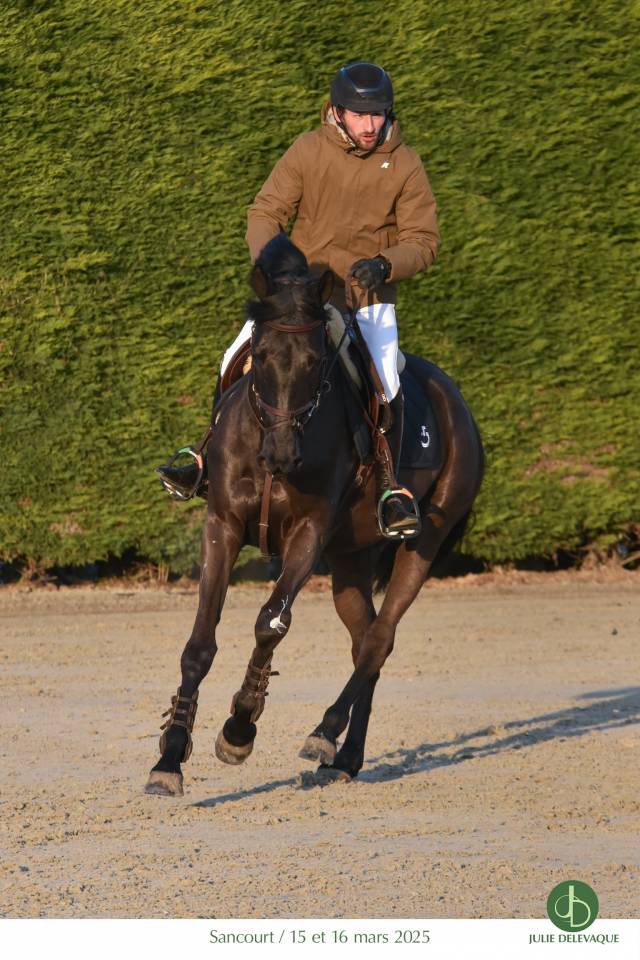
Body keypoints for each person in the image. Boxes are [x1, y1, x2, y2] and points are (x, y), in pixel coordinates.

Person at [157, 61, 440, 537]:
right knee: (233, 356)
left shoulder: (406, 164)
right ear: (338, 112)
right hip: (301, 295)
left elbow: (424, 241)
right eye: (360, 115)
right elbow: (265, 212)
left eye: (377, 114)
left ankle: (390, 490)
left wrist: (386, 264)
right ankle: (201, 459)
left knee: (388, 378)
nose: (370, 125)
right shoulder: (308, 150)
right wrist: (278, 269)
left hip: (366, 296)